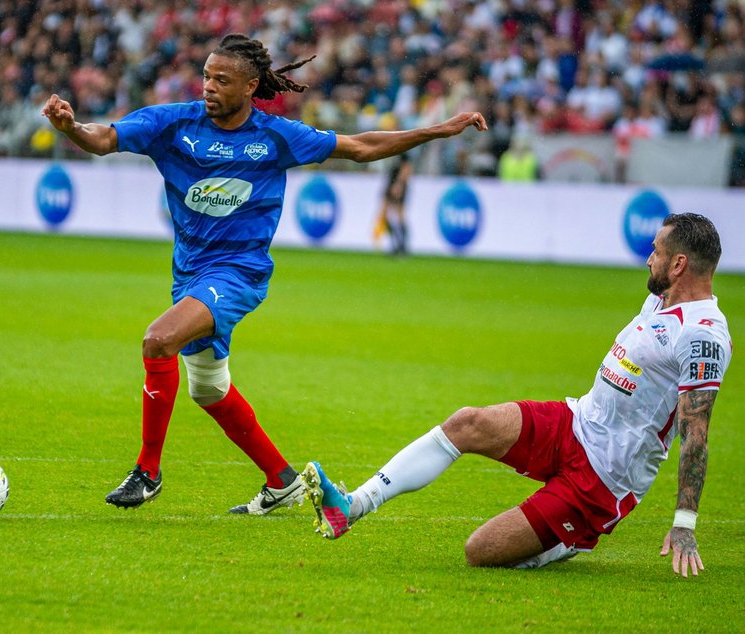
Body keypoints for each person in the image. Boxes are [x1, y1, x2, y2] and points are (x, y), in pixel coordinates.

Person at [41, 33, 487, 514]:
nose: (209, 87)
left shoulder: (276, 136)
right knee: (208, 389)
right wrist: (71, 127)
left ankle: (147, 472)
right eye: (206, 76)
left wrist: (437, 130)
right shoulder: (172, 123)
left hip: (239, 272)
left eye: (222, 80)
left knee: (158, 340)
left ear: (251, 86)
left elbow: (360, 146)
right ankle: (282, 480)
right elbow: (104, 139)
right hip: (189, 274)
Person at [304, 212, 730, 577]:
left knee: (480, 551)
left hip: (602, 479)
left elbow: (695, 434)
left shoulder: (702, 335)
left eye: (656, 251)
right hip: (575, 422)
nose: (649, 258)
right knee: (467, 422)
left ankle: (572, 539)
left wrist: (684, 522)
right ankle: (352, 506)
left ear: (679, 264)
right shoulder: (661, 299)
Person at [374, 153, 413, 255]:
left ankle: (402, 246)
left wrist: (399, 184)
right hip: (391, 184)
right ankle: (394, 244)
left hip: (397, 186)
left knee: (400, 217)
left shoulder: (404, 152)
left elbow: (406, 169)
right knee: (385, 215)